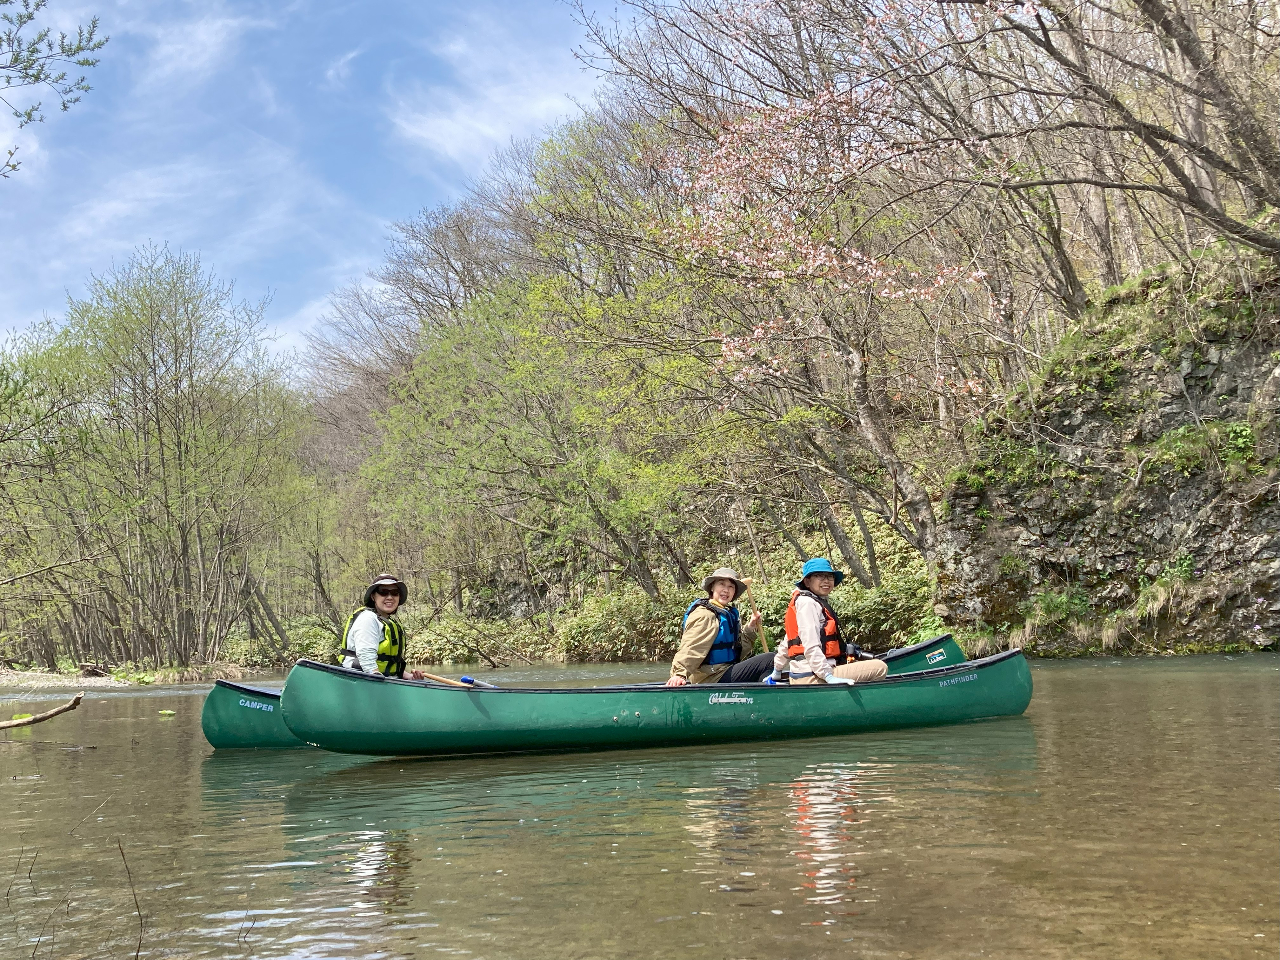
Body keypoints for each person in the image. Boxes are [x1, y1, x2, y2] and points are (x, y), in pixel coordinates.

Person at [770, 558, 888, 685]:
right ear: (807, 581)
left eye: (829, 576)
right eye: (819, 576)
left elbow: (789, 640)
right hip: (812, 676)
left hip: (806, 674)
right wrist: (827, 675)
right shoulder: (808, 603)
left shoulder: (809, 600)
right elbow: (810, 645)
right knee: (880, 667)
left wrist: (777, 669)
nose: (826, 581)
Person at [666, 567, 771, 686]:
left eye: (731, 586)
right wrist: (679, 674)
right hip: (711, 677)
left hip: (724, 671)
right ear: (712, 587)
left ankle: (762, 696)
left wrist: (751, 627)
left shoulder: (726, 613)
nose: (726, 590)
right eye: (721, 584)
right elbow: (692, 646)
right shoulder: (705, 614)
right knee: (769, 659)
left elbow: (738, 650)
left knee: (770, 664)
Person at [340, 573, 424, 680]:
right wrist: (377, 679)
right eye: (383, 592)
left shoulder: (387, 622)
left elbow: (387, 663)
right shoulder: (368, 619)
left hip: (381, 680)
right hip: (359, 680)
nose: (389, 597)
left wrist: (410, 677)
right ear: (373, 596)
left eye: (394, 593)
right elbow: (367, 661)